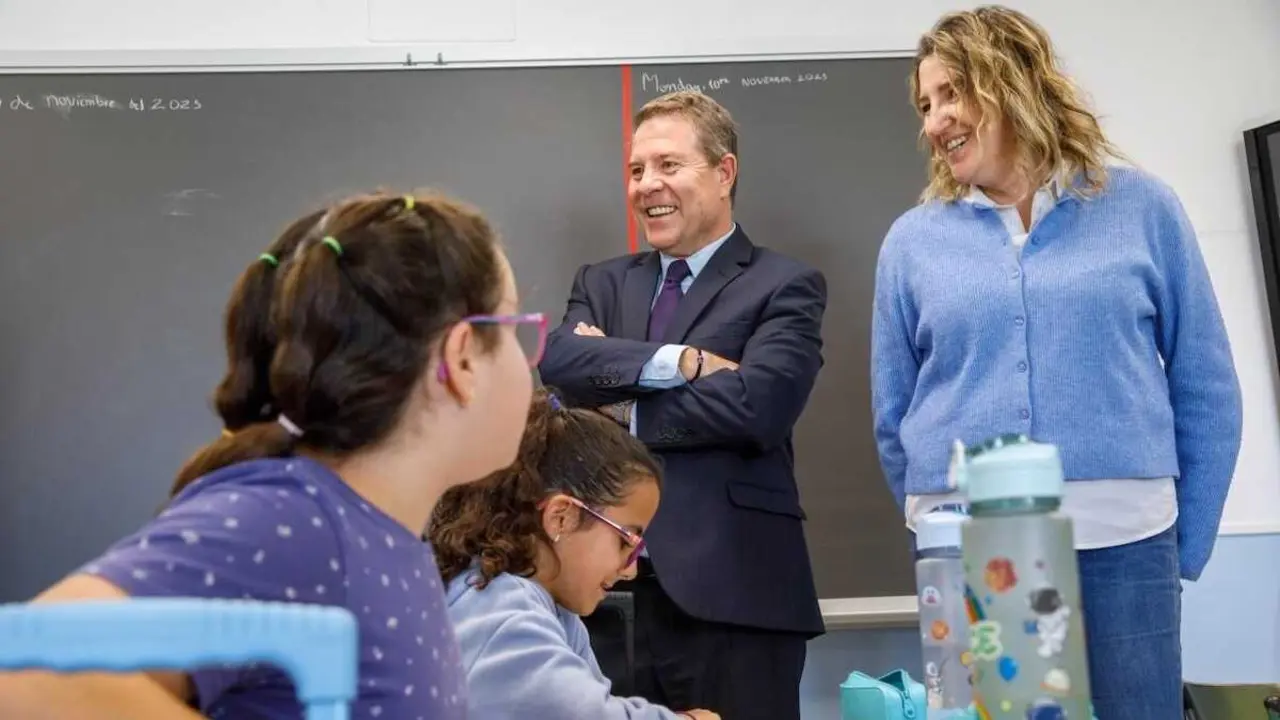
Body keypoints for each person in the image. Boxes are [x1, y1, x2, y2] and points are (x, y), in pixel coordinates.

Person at [0, 190, 544, 719]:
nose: (528, 364)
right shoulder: (302, 526)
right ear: (463, 358)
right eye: (517, 329)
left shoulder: (380, 537)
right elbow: (28, 672)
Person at [871, 7, 1243, 718]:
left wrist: (1180, 545)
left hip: (1125, 539)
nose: (932, 120)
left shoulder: (1141, 208)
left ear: (1010, 82)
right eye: (925, 104)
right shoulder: (912, 242)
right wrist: (936, 525)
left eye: (951, 94)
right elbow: (893, 411)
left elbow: (1206, 386)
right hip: (967, 542)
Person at [537, 90, 827, 720]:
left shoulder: (785, 284)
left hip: (736, 599)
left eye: (669, 165)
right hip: (603, 601)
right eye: (637, 170)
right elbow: (559, 366)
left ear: (724, 173)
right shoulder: (602, 281)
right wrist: (681, 363)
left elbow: (758, 406)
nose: (647, 185)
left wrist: (619, 400)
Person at [429, 388, 720, 720]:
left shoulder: (555, 613)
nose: (631, 570)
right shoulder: (500, 611)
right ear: (561, 516)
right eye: (626, 542)